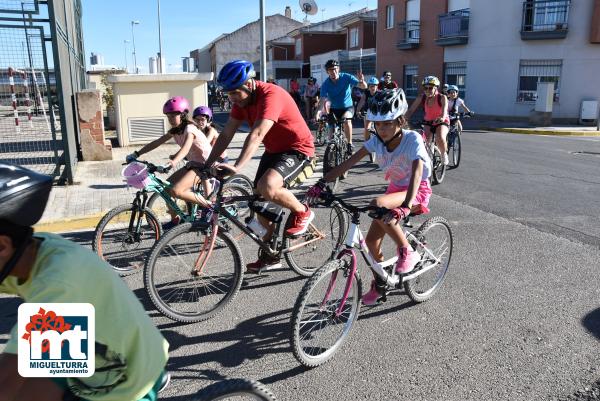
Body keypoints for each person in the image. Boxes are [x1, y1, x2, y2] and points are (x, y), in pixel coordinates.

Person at [0, 164, 170, 401]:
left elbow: (6, 382)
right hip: (80, 345)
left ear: (3, 246)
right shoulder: (28, 252)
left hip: (128, 380)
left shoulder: (58, 283)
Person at [306, 89, 432, 306]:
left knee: (377, 203)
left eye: (387, 123)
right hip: (395, 190)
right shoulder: (377, 141)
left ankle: (407, 251)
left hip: (417, 191)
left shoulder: (412, 140)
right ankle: (380, 284)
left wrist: (406, 206)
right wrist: (322, 182)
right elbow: (349, 162)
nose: (381, 129)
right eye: (377, 124)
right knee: (372, 243)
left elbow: (417, 173)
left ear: (400, 121)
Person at [204, 60, 316, 273]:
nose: (232, 98)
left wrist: (237, 166)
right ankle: (271, 255)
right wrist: (207, 164)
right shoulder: (240, 103)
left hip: (298, 149)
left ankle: (302, 211)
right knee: (259, 204)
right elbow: (226, 134)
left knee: (268, 187)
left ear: (250, 84)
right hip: (274, 152)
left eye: (235, 93)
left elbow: (256, 134)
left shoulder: (271, 95)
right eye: (228, 94)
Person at [125, 96, 213, 229]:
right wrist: (137, 154)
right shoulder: (176, 130)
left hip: (205, 165)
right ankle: (176, 219)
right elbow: (157, 142)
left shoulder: (190, 129)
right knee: (166, 189)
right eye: (168, 116)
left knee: (177, 191)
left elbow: (185, 149)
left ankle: (210, 206)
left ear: (182, 115)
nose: (170, 119)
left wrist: (172, 162)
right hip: (193, 164)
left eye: (173, 116)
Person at [316, 59, 367, 155]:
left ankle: (349, 143)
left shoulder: (346, 77)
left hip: (347, 107)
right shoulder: (325, 84)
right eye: (330, 70)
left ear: (338, 69)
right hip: (334, 109)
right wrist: (318, 112)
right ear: (327, 72)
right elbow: (322, 100)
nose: (333, 72)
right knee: (331, 128)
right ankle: (331, 148)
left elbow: (364, 87)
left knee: (346, 120)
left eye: (335, 69)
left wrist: (362, 81)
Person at [405, 75, 451, 165]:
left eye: (430, 88)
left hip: (441, 121)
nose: (427, 90)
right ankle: (426, 159)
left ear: (436, 88)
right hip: (428, 122)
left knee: (440, 137)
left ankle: (443, 154)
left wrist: (441, 117)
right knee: (423, 141)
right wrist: (403, 119)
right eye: (425, 88)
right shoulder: (421, 97)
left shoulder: (442, 97)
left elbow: (444, 111)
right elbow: (411, 110)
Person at [356, 76, 380, 142]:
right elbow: (362, 101)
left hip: (377, 112)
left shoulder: (379, 93)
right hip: (368, 111)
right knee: (367, 128)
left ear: (377, 86)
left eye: (374, 86)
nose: (372, 87)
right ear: (368, 86)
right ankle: (367, 144)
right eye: (371, 86)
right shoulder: (366, 93)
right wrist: (358, 110)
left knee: (380, 128)